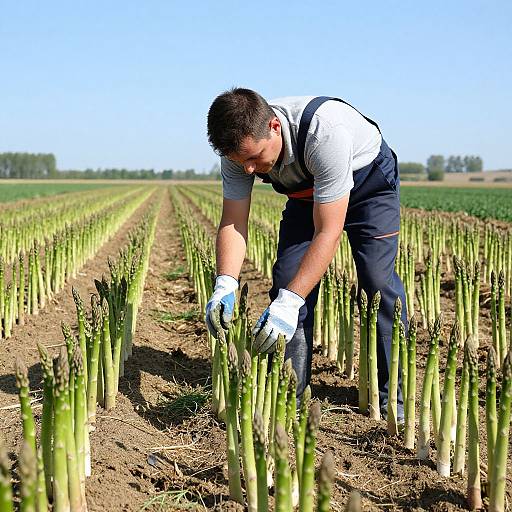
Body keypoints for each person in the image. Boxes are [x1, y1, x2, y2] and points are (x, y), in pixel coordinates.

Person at [205, 88, 407, 419]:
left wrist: (291, 301)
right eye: (240, 162)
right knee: (287, 281)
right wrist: (225, 282)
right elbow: (233, 221)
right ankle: (291, 395)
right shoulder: (237, 154)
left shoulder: (324, 133)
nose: (249, 171)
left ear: (273, 126)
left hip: (369, 185)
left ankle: (393, 401)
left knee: (377, 283)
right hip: (308, 193)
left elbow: (328, 231)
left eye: (255, 158)